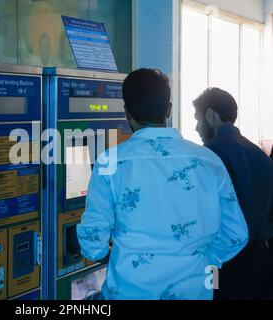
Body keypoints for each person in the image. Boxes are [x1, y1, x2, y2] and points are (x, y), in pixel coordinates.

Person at [77, 69, 248, 300]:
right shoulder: (208, 161)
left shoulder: (111, 163)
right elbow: (236, 235)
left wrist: (113, 257)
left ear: (127, 113)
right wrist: (205, 259)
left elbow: (92, 241)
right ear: (168, 109)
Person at [193, 87, 273, 300]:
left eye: (198, 119)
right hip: (263, 261)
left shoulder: (207, 155)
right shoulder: (259, 154)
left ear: (210, 115)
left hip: (224, 263)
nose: (197, 128)